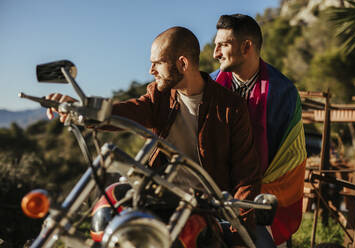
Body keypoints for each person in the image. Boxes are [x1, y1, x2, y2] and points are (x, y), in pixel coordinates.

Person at [47, 26, 263, 247]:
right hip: (159, 196)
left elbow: (246, 175)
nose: (151, 70)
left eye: (158, 62)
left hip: (206, 209)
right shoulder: (158, 97)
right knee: (106, 216)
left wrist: (239, 231)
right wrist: (82, 110)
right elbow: (123, 111)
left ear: (183, 64)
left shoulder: (230, 107)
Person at [211, 14, 307, 247]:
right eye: (215, 45)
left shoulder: (283, 92)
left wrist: (248, 197)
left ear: (246, 47)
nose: (215, 54)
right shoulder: (209, 87)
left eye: (223, 45)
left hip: (262, 205)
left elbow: (290, 160)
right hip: (213, 200)